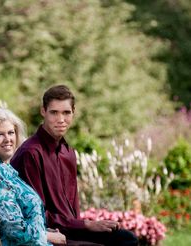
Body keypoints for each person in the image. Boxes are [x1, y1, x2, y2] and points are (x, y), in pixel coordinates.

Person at [11, 85, 138, 246]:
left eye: (66, 113)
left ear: (73, 112)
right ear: (43, 111)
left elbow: (72, 207)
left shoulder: (67, 152)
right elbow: (35, 214)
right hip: (47, 234)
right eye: (54, 112)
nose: (61, 119)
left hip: (71, 229)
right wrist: (86, 225)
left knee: (127, 239)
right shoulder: (30, 153)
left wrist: (84, 225)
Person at [0, 107, 66, 246]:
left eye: (11, 133)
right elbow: (14, 228)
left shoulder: (1, 168)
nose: (8, 139)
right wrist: (49, 236)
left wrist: (46, 232)